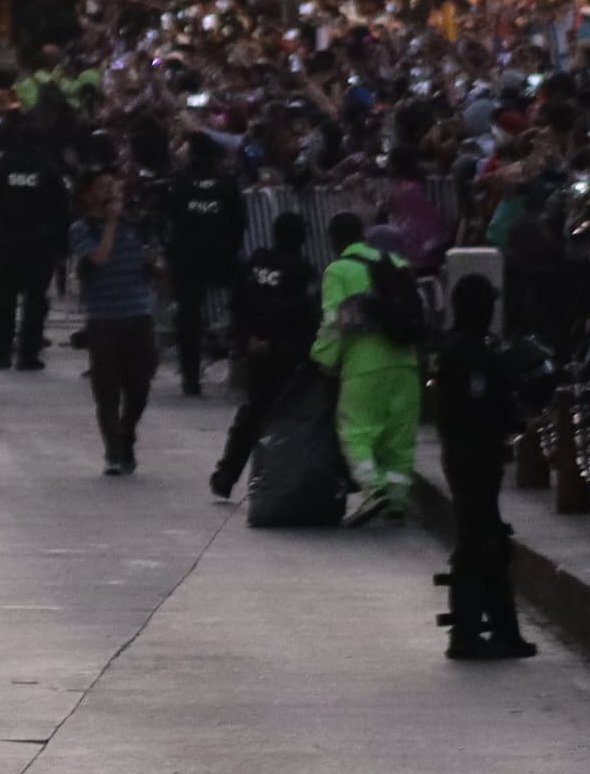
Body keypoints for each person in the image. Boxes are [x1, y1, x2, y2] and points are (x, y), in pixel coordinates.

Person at [429, 274, 540, 661]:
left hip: (469, 456)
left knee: (488, 540)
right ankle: (467, 632)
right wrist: (512, 417)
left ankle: (501, 632)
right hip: (473, 457)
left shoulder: (461, 348)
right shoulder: (470, 353)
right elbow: (479, 409)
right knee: (479, 542)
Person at [312, 210, 425, 527]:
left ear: (334, 240)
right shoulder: (398, 266)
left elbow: (334, 322)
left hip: (365, 365)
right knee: (399, 439)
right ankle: (397, 501)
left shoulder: (339, 271)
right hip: (406, 364)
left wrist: (322, 358)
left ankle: (373, 489)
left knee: (355, 431)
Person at [211, 211, 313, 500]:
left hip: (256, 352)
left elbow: (238, 303)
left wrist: (246, 340)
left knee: (252, 412)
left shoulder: (255, 264)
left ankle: (228, 472)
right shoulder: (301, 270)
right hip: (285, 356)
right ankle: (275, 481)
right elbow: (303, 315)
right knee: (287, 419)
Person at [71, 167, 160, 474]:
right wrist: (109, 224)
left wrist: (154, 263)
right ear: (89, 195)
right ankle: (112, 450)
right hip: (104, 318)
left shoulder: (135, 226)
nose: (111, 193)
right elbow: (99, 259)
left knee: (140, 385)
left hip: (138, 313)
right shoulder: (83, 229)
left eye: (115, 187)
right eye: (103, 187)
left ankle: (126, 434)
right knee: (106, 389)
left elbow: (153, 270)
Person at [163, 135, 246, 398]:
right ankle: (241, 363)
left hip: (187, 257)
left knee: (188, 317)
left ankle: (191, 379)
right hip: (221, 255)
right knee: (240, 307)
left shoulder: (179, 181)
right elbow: (238, 220)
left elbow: (170, 216)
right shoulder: (227, 182)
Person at [0, 120, 67, 370]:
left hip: (6, 245)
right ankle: (28, 354)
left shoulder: (4, 166)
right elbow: (61, 209)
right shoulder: (48, 168)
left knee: (3, 301)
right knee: (35, 301)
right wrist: (61, 247)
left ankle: (1, 352)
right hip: (38, 245)